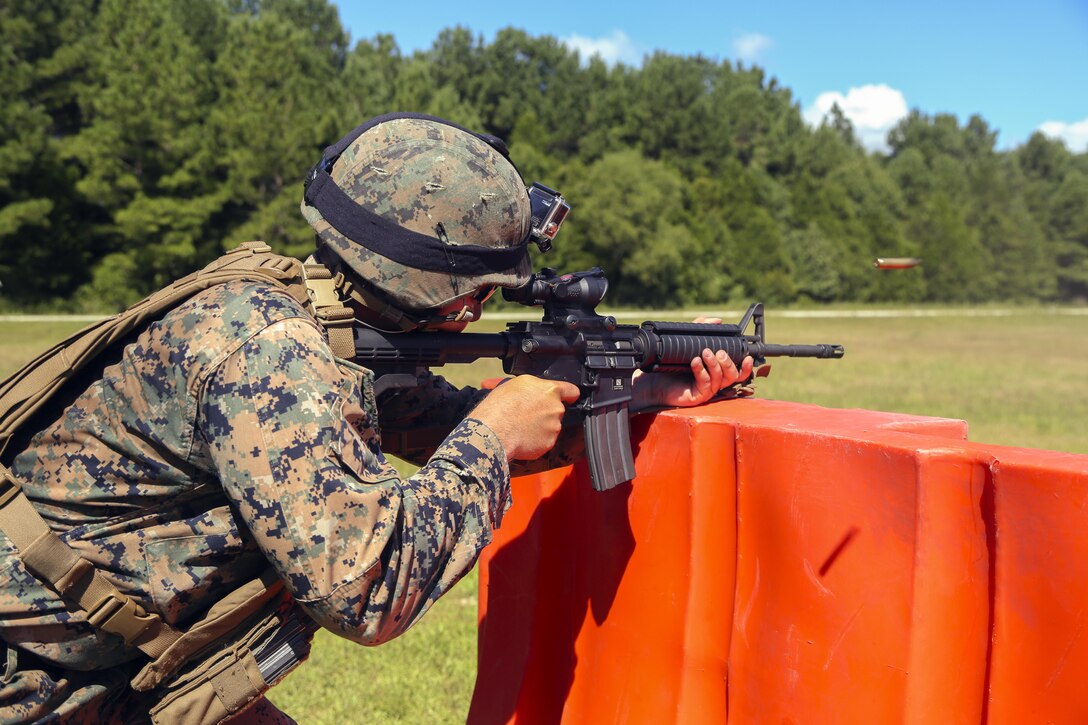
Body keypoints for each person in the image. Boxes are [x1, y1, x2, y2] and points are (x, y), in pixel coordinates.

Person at [0, 113, 752, 723]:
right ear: (440, 291)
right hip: (34, 681)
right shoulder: (271, 356)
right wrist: (492, 434)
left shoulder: (307, 308)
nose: (480, 311)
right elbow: (367, 589)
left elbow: (432, 420)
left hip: (100, 664)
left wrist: (642, 389)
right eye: (481, 293)